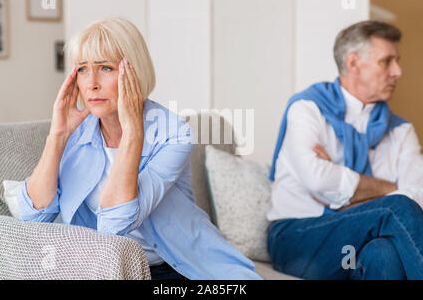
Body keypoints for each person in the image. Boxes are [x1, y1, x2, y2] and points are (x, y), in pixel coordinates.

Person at [16, 17, 261, 280]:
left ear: (134, 71)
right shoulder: (76, 132)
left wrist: (132, 131)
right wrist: (57, 135)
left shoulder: (173, 133)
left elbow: (116, 222)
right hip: (111, 270)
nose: (91, 83)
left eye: (105, 68)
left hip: (184, 267)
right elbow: (33, 218)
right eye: (83, 70)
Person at [267, 20, 423, 280]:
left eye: (397, 61)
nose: (398, 71)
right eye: (386, 61)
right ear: (353, 63)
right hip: (298, 236)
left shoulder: (400, 130)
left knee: (382, 252)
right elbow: (316, 178)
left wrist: (342, 189)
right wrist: (388, 190)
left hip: (357, 242)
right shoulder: (307, 108)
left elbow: (419, 196)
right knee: (396, 207)